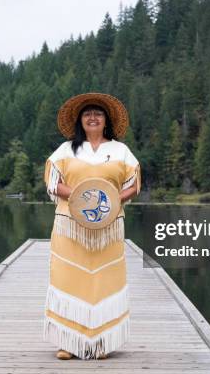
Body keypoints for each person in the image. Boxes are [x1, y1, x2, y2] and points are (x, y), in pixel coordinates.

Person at [42, 93, 141, 360]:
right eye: (87, 114)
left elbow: (133, 184)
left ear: (106, 119)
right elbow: (52, 180)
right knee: (68, 280)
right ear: (80, 121)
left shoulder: (120, 151)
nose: (93, 117)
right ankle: (68, 343)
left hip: (108, 228)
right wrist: (77, 196)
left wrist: (113, 198)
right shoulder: (66, 150)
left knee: (104, 281)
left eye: (98, 113)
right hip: (70, 226)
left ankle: (101, 343)